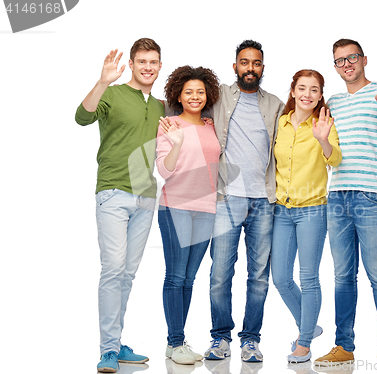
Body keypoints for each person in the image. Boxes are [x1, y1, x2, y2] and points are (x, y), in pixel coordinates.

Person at [314, 39, 377, 372]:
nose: (346, 64)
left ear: (364, 59)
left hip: (372, 194)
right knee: (343, 277)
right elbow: (325, 148)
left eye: (352, 57)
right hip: (338, 196)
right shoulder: (332, 102)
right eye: (339, 60)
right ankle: (343, 346)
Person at [74, 38, 164, 373]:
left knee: (127, 275)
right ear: (132, 62)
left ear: (159, 65)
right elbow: (82, 118)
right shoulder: (112, 94)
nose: (148, 67)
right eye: (142, 61)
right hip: (113, 193)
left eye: (153, 62)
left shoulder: (159, 106)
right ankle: (108, 350)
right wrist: (102, 82)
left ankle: (117, 342)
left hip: (146, 197)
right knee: (112, 271)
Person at [203, 40, 285, 363]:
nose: (250, 68)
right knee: (220, 273)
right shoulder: (220, 95)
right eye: (244, 62)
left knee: (258, 276)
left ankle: (250, 339)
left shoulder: (276, 105)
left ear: (262, 68)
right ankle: (220, 337)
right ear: (235, 66)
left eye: (256, 63)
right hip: (227, 197)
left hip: (264, 201)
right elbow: (187, 99)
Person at [271, 70, 342, 363]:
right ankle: (310, 325)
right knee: (281, 278)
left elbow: (335, 159)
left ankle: (304, 342)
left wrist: (323, 139)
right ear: (292, 90)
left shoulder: (324, 123)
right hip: (281, 209)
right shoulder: (281, 122)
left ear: (320, 94)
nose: (307, 94)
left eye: (314, 90)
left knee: (309, 277)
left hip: (312, 208)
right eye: (302, 88)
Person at [156, 66, 220, 365]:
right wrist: (178, 143)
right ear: (178, 96)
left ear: (207, 95)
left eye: (200, 92)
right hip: (176, 206)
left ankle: (176, 342)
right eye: (188, 92)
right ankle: (176, 341)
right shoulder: (169, 124)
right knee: (176, 276)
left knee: (189, 278)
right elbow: (165, 171)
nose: (195, 96)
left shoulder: (210, 125)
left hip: (207, 209)